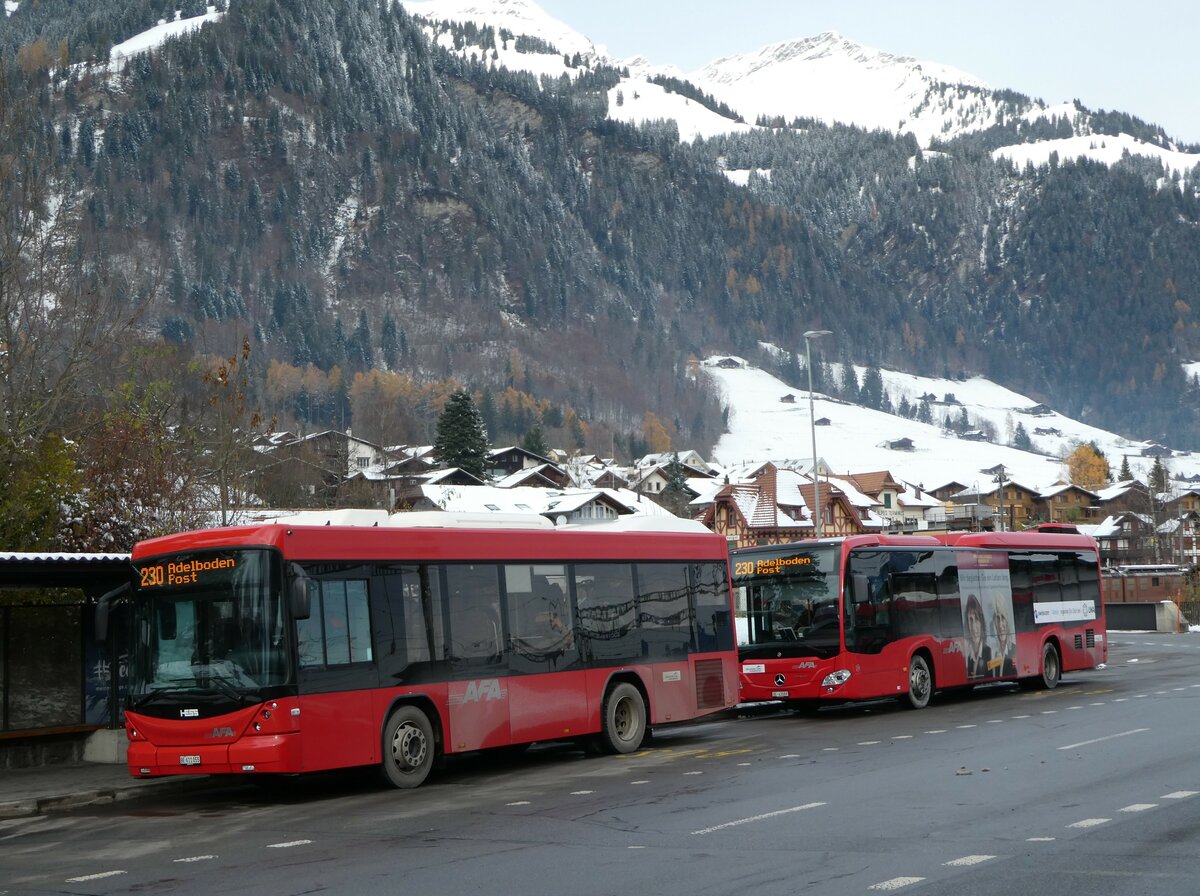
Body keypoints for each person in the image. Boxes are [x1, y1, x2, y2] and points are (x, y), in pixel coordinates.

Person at [963, 594, 992, 679]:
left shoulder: (989, 652)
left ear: (981, 622)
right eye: (970, 620)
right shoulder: (969, 658)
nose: (973, 626)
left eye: (976, 619)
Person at [991, 606, 1017, 677]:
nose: (1000, 625)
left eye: (1003, 618)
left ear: (1007, 622)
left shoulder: (1014, 649)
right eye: (997, 619)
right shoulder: (994, 652)